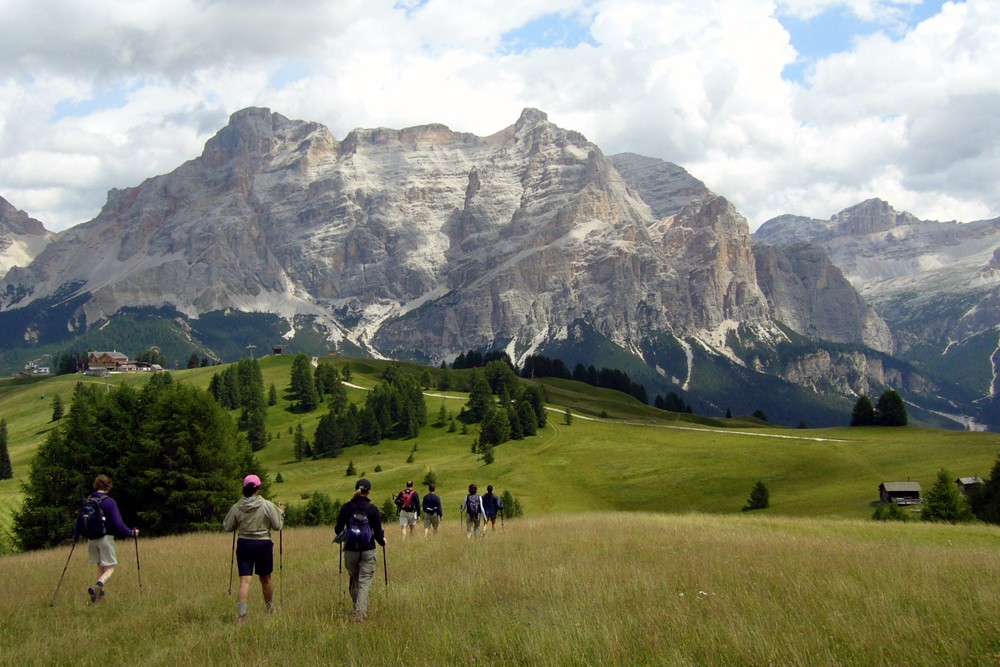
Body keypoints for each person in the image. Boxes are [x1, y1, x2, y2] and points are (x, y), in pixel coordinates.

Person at [222, 474, 285, 622]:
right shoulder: (267, 505)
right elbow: (277, 526)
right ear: (257, 488)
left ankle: (242, 615)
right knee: (266, 578)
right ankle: (269, 609)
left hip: (244, 544)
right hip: (263, 544)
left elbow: (228, 526)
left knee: (245, 580)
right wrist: (280, 512)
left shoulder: (237, 506)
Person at [73, 474, 139, 604]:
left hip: (91, 539)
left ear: (96, 485)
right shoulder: (109, 502)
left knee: (100, 567)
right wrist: (131, 533)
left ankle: (98, 597)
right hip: (105, 538)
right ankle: (98, 586)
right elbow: (118, 524)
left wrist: (75, 536)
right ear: (109, 486)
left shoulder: (88, 500)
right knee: (110, 568)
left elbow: (79, 522)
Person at [335, 478, 386, 622]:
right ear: (369, 491)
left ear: (356, 489)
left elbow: (338, 529)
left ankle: (356, 607)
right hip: (368, 549)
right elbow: (377, 533)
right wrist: (382, 542)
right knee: (364, 582)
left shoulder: (346, 508)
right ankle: (360, 614)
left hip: (350, 550)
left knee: (354, 578)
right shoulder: (373, 509)